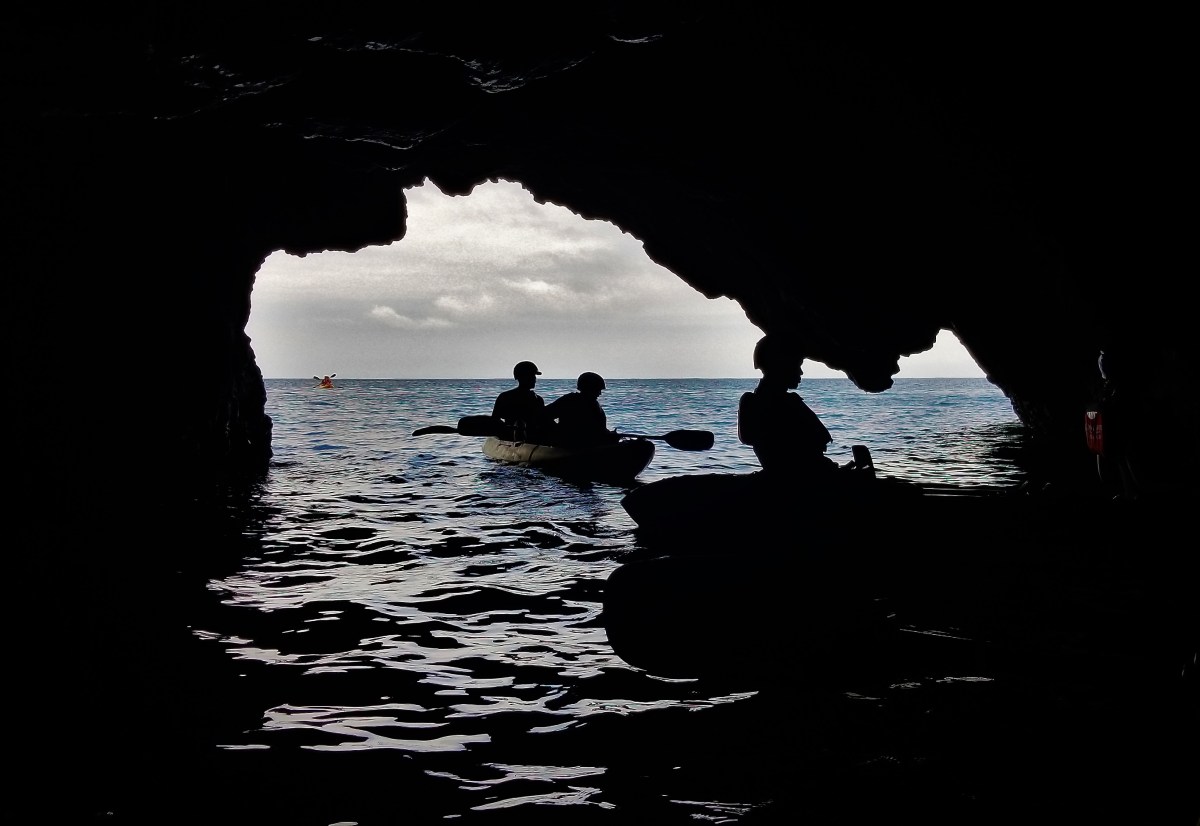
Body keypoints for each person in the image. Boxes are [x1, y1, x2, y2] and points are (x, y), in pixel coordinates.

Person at [737, 333, 839, 479]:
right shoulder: (787, 403)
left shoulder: (753, 401)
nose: (800, 372)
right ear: (780, 365)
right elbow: (821, 439)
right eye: (796, 365)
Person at [543, 371, 619, 448]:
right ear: (589, 388)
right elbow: (544, 416)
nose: (599, 393)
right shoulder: (570, 400)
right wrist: (560, 433)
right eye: (597, 390)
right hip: (576, 447)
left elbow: (598, 430)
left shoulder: (591, 404)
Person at [491, 361, 549, 442]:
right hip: (513, 439)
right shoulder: (505, 397)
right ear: (521, 377)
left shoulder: (537, 399)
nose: (534, 379)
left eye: (534, 376)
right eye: (531, 376)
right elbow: (495, 421)